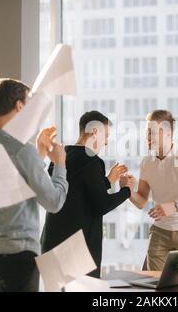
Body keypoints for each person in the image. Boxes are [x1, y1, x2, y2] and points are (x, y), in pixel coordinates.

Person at [0, 78, 69, 292]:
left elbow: (12, 188)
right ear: (19, 106)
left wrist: (39, 155)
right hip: (19, 256)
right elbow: (54, 202)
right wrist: (60, 164)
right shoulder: (20, 149)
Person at [41, 111, 131, 278]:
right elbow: (101, 205)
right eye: (106, 136)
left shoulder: (61, 155)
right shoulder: (92, 161)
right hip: (77, 251)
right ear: (95, 133)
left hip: (51, 244)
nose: (105, 143)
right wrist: (126, 191)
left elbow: (76, 193)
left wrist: (108, 180)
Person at [121, 110, 178, 271]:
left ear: (168, 133)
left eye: (152, 132)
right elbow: (141, 200)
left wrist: (174, 206)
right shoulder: (147, 162)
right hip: (160, 233)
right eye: (146, 132)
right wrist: (128, 190)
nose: (147, 137)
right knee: (156, 285)